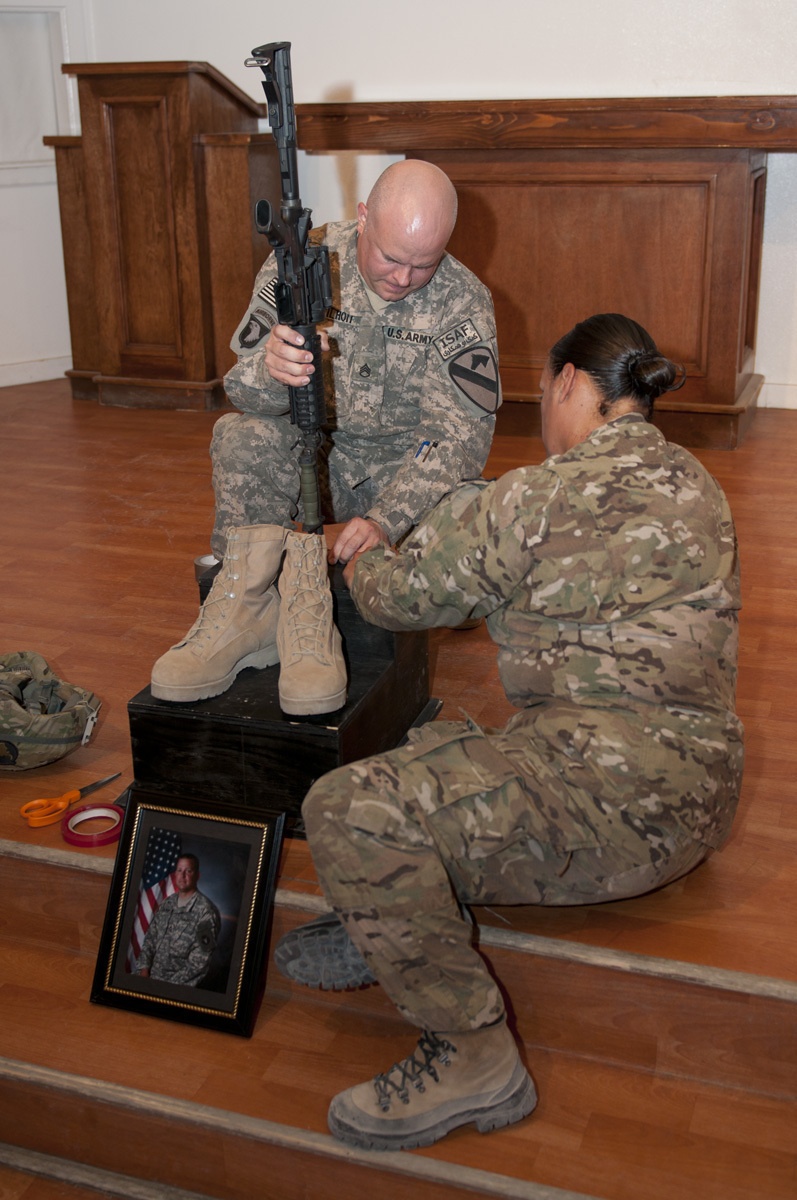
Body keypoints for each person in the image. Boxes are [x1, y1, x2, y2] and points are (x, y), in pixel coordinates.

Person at [273, 313, 745, 1151]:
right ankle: (393, 914)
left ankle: (473, 1054)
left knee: (349, 808)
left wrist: (363, 552)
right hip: (698, 800)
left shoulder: (530, 498)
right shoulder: (698, 484)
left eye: (543, 393)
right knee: (438, 750)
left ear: (568, 382)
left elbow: (398, 600)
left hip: (610, 818)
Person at [151, 159, 501, 715]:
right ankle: (246, 608)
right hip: (312, 457)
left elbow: (458, 437)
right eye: (391, 257)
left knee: (475, 508)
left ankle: (417, 601)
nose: (404, 279)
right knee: (241, 437)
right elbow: (242, 391)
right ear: (364, 217)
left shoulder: (463, 299)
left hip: (399, 472)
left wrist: (388, 518)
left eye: (424, 264)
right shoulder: (301, 264)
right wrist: (271, 370)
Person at [137, 854, 221, 987]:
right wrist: (144, 969)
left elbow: (199, 963)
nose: (182, 876)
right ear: (175, 873)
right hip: (147, 977)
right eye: (179, 870)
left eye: (188, 871)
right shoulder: (168, 903)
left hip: (174, 986)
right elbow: (150, 938)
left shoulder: (206, 912)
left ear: (197, 875)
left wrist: (166, 986)